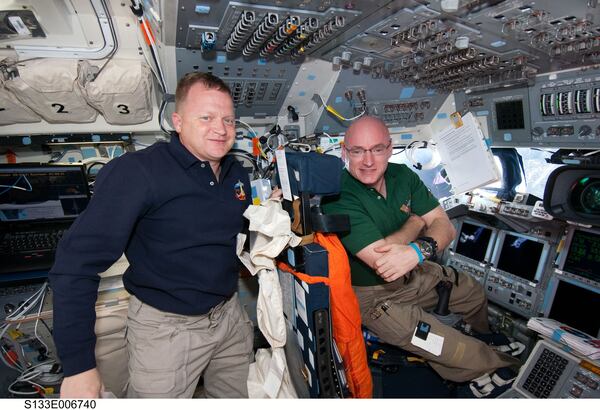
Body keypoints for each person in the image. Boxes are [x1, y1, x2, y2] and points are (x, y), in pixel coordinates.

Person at [49, 72, 254, 398]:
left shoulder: (236, 171)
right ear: (178, 121)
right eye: (207, 117)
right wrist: (78, 366)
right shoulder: (138, 172)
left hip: (229, 316)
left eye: (229, 120)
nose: (221, 128)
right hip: (167, 329)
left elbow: (236, 224)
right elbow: (75, 265)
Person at [322, 116, 519, 388]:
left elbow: (445, 227)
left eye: (377, 149)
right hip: (374, 298)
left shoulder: (403, 175)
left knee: (472, 292)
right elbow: (386, 263)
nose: (368, 161)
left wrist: (417, 250)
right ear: (345, 152)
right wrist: (416, 222)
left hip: (416, 274)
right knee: (461, 352)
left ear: (390, 149)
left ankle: (485, 337)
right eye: (357, 151)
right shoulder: (338, 196)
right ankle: (510, 370)